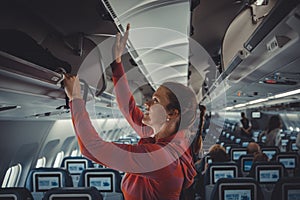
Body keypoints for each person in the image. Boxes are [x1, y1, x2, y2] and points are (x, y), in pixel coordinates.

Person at [64, 24, 201, 200]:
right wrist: (117, 63)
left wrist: (76, 98)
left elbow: (93, 149)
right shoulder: (159, 137)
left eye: (156, 101)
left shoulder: (161, 158)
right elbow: (128, 108)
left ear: (172, 114)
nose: (147, 103)